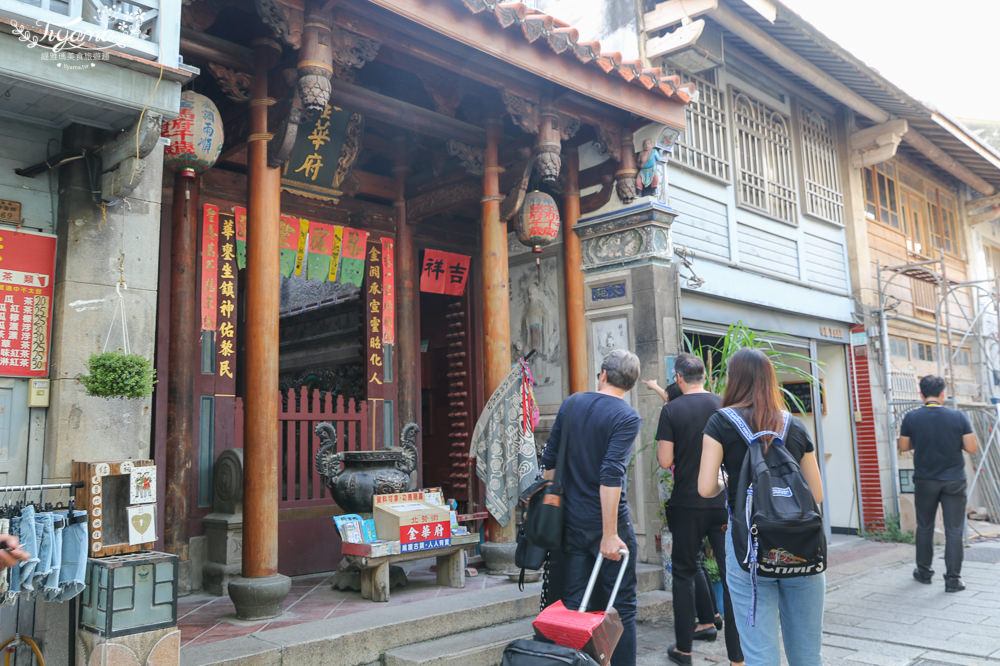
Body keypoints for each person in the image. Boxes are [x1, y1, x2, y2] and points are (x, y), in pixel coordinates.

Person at [697, 348, 825, 666]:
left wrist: (732, 484)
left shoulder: (720, 422)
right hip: (802, 546)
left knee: (759, 654)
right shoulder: (793, 425)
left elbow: (704, 488)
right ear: (770, 380)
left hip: (748, 549)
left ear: (734, 379)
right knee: (808, 654)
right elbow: (817, 494)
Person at [542, 349, 642, 666]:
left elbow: (549, 466)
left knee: (574, 604)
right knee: (620, 607)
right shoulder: (626, 416)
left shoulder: (572, 403)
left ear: (602, 375)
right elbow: (611, 475)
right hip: (607, 524)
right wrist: (610, 534)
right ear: (631, 384)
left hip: (571, 522)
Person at [655, 353, 743, 666]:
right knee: (732, 576)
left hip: (687, 504)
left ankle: (684, 650)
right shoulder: (725, 406)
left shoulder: (671, 409)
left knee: (683, 573)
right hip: (722, 502)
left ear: (679, 378)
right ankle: (737, 656)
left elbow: (665, 461)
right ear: (704, 376)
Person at [898, 374, 978, 592]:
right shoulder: (958, 417)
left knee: (924, 526)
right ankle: (953, 579)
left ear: (921, 394)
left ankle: (923, 573)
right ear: (943, 393)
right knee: (954, 529)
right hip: (954, 480)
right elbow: (972, 448)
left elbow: (903, 447)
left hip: (925, 480)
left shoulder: (911, 418)